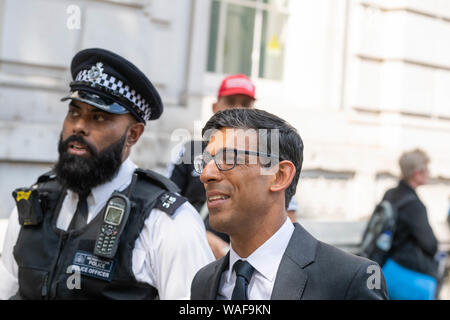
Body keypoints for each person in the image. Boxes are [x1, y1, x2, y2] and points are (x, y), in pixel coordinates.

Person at [0, 48, 214, 300]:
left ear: (133, 135)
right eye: (74, 112)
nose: (79, 126)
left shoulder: (166, 222)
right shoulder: (34, 206)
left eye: (98, 117)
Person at [190, 108, 388, 300]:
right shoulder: (203, 281)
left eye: (228, 158)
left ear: (279, 176)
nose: (206, 174)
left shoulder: (349, 279)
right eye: (205, 162)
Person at [166, 74, 298, 258]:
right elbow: (167, 207)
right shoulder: (189, 150)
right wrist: (205, 239)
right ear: (215, 106)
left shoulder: (269, 152)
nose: (208, 174)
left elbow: (287, 220)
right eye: (230, 101)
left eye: (245, 103)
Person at [380, 149, 440, 299]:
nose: (429, 173)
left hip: (384, 268)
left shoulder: (391, 193)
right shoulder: (414, 205)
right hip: (407, 274)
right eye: (427, 169)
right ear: (417, 173)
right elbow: (430, 245)